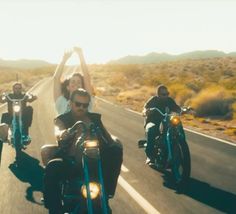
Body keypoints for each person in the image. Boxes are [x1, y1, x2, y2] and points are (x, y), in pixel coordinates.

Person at [43, 89, 123, 214]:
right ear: (70, 103)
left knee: (116, 150)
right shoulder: (62, 119)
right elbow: (58, 131)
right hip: (71, 162)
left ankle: (107, 193)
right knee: (52, 167)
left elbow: (108, 138)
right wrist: (63, 133)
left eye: (85, 105)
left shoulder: (95, 118)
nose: (81, 107)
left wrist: (113, 143)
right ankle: (54, 209)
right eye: (78, 104)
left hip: (94, 161)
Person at [143, 85, 181, 165]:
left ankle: (178, 146)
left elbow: (176, 108)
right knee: (151, 130)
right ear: (158, 94)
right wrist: (146, 111)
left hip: (166, 122)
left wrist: (180, 110)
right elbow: (145, 108)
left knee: (176, 126)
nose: (166, 96)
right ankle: (150, 156)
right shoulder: (154, 100)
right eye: (163, 94)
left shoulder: (169, 100)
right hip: (153, 122)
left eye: (167, 93)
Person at [53, 46, 93, 115]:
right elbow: (56, 78)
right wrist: (64, 59)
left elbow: (87, 77)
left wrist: (81, 55)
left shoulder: (87, 101)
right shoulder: (62, 102)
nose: (76, 84)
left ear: (82, 87)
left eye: (79, 82)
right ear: (68, 87)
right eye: (73, 81)